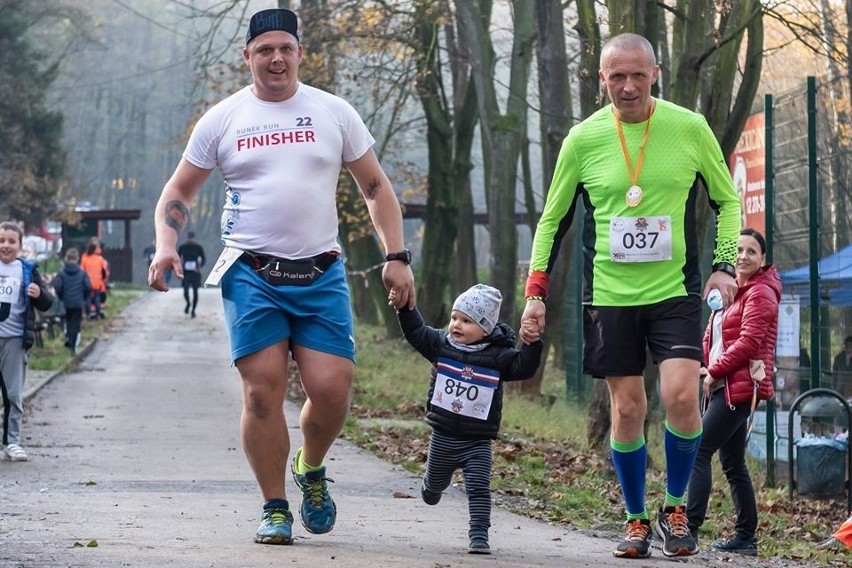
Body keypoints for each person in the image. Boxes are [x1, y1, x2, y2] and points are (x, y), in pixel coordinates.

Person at [147, 8, 414, 546]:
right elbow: (178, 193)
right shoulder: (222, 120)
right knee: (262, 393)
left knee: (332, 390)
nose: (275, 58)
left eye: (285, 49)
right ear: (247, 57)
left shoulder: (333, 112)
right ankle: (274, 508)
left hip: (321, 272)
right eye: (264, 49)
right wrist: (166, 245)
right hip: (251, 271)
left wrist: (397, 254)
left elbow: (376, 187)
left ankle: (310, 467)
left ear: (299, 53)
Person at [519, 32, 741, 559]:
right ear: (602, 79)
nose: (627, 86)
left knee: (683, 396)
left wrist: (724, 265)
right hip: (611, 294)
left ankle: (676, 508)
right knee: (627, 410)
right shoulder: (584, 139)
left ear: (655, 73)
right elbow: (552, 220)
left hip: (676, 291)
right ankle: (637, 519)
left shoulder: (689, 128)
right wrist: (535, 291)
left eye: (638, 75)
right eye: (616, 76)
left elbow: (728, 200)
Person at [393, 284, 542, 555]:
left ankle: (479, 536)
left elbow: (524, 367)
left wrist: (531, 343)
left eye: (466, 321)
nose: (456, 325)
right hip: (443, 437)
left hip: (477, 442)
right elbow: (416, 332)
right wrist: (405, 308)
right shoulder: (441, 345)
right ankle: (431, 486)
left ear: (485, 328)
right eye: (454, 318)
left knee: (478, 488)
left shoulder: (498, 357)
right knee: (434, 487)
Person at [685, 229, 780, 556]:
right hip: (724, 385)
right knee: (733, 463)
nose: (743, 256)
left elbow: (749, 343)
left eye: (751, 251)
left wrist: (715, 370)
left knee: (699, 449)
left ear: (763, 259)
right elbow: (715, 336)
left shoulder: (761, 293)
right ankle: (745, 537)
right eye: (739, 249)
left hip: (739, 389)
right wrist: (703, 363)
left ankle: (689, 528)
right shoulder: (733, 290)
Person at [0, 221, 54, 461]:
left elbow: (47, 303)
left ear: (21, 246)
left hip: (14, 341)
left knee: (13, 394)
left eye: (12, 241)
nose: (5, 245)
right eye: (1, 241)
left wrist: (39, 293)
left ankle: (12, 441)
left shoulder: (27, 270)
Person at [51, 248, 92, 353]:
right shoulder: (82, 273)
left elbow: (58, 286)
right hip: (78, 302)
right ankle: (73, 344)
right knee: (76, 323)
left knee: (68, 321)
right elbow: (88, 287)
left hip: (67, 301)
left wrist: (61, 296)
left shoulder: (62, 273)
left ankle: (69, 338)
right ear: (77, 259)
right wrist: (84, 297)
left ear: (66, 258)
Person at [177, 232, 206, 318]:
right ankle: (188, 303)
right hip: (186, 273)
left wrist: (199, 266)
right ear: (187, 238)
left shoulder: (198, 248)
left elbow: (203, 258)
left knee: (195, 292)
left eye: (192, 238)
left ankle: (193, 310)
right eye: (190, 238)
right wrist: (179, 267)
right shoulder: (183, 247)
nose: (191, 240)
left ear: (194, 239)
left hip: (195, 273)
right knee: (185, 291)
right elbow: (177, 258)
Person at [80, 242, 109, 319]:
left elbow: (82, 271)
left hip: (88, 282)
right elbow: (104, 271)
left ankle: (88, 314)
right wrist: (103, 279)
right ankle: (98, 313)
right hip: (97, 282)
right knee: (97, 298)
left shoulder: (84, 258)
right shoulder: (100, 259)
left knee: (88, 298)